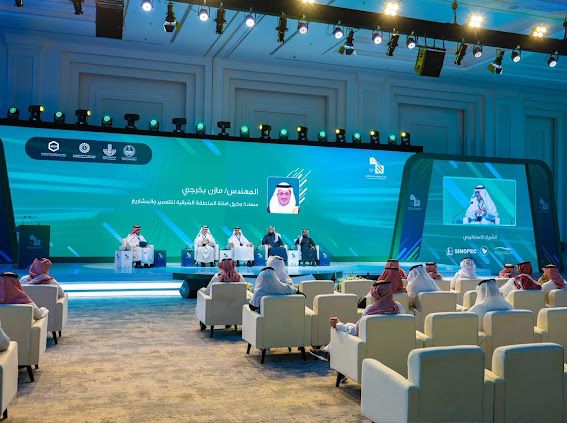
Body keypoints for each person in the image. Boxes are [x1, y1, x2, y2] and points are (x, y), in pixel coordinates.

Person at [309, 281, 404, 362]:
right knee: (348, 325)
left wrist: (338, 324)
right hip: (392, 345)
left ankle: (329, 354)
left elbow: (355, 331)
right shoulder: (399, 307)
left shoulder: (370, 310)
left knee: (339, 330)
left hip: (368, 347)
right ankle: (327, 351)